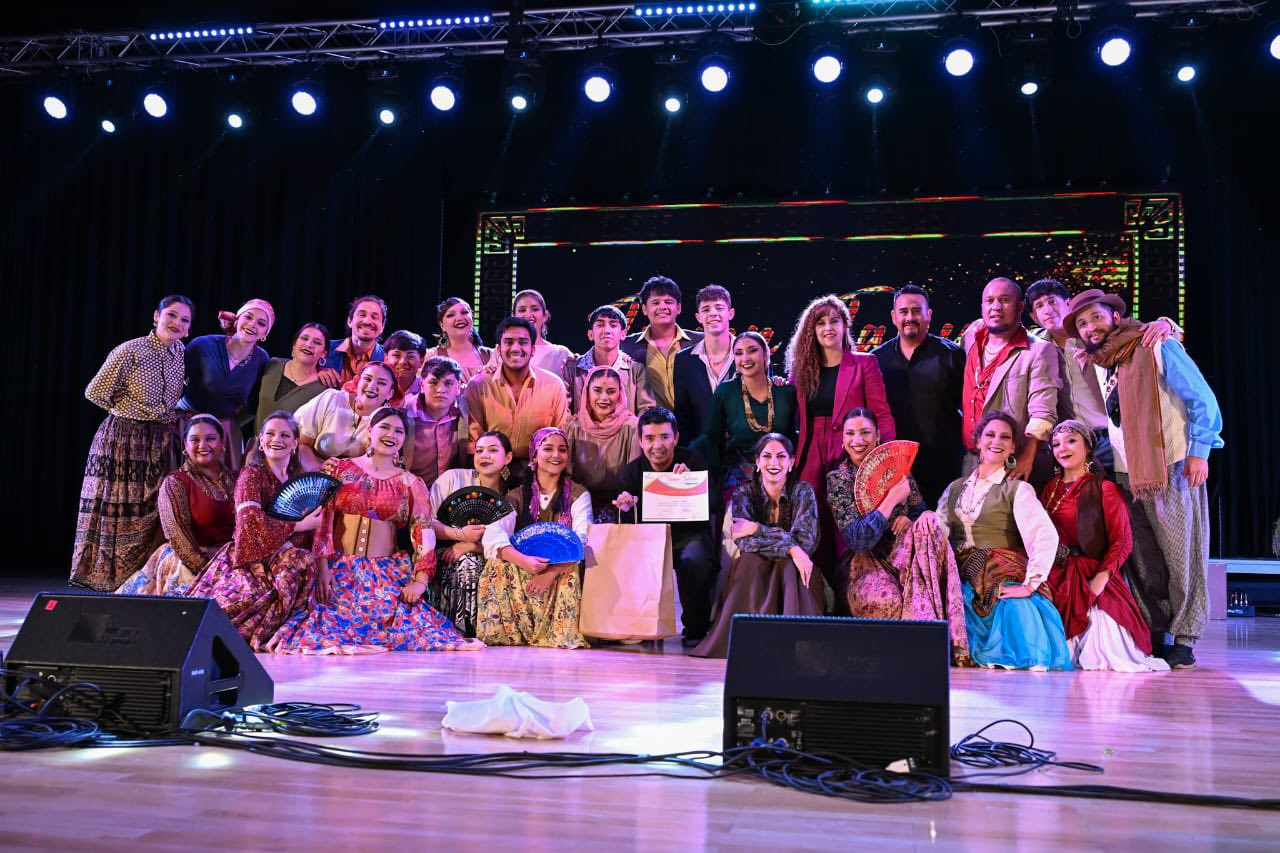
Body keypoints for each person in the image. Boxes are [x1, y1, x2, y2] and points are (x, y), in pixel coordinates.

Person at [1067, 288, 1224, 670]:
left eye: (1096, 316)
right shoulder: (1101, 362)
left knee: (1182, 556)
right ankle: (1159, 630)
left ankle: (1185, 637)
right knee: (1144, 560)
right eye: (1083, 323)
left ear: (1115, 316)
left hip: (1170, 464)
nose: (1091, 327)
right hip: (1129, 473)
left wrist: (1199, 451)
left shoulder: (1155, 343)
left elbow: (1202, 399)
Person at [269, 408, 481, 653]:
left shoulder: (411, 483)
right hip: (341, 568)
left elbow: (423, 532)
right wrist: (323, 566)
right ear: (370, 431)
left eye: (399, 431)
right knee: (326, 625)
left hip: (384, 571)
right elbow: (323, 521)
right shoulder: (339, 470)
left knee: (410, 628)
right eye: (385, 427)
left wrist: (420, 582)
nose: (391, 435)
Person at [826, 408, 970, 665]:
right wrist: (890, 501)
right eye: (850, 433)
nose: (857, 440)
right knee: (889, 603)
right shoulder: (838, 480)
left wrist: (916, 519)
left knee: (930, 528)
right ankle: (916, 651)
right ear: (843, 439)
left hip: (906, 553)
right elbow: (858, 540)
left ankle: (930, 649)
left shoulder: (897, 468)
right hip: (864, 561)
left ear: (877, 436)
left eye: (865, 432)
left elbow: (918, 509)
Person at [72, 294, 194, 591]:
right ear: (156, 316)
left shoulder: (180, 353)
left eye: (184, 319)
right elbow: (94, 392)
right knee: (118, 508)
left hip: (160, 439)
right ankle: (108, 578)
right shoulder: (132, 349)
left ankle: (140, 579)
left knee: (150, 508)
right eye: (172, 315)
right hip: (124, 437)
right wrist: (127, 406)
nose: (177, 323)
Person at [938, 412, 1072, 671]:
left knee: (1016, 608)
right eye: (990, 435)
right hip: (960, 570)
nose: (996, 441)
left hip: (999, 567)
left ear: (1012, 447)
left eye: (1005, 437)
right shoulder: (955, 488)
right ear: (978, 441)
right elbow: (938, 533)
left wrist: (1030, 584)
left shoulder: (1017, 489)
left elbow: (1043, 534)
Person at [786, 295, 895, 593]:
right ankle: (815, 595)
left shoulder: (864, 364)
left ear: (845, 325)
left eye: (834, 321)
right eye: (820, 323)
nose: (828, 328)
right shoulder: (801, 371)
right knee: (812, 520)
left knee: (846, 522)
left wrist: (887, 459)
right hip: (810, 452)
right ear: (812, 330)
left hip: (851, 450)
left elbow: (881, 414)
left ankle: (850, 592)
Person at [185, 412, 321, 649]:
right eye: (270, 434)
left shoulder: (299, 479)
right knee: (236, 603)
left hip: (288, 555)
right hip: (252, 557)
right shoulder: (252, 475)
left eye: (284, 435)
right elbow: (249, 525)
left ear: (295, 443)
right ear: (261, 440)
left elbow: (318, 525)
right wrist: (298, 526)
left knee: (302, 562)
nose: (276, 439)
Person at [1040, 420, 1168, 671]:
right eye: (1056, 444)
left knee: (1102, 645)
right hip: (1058, 574)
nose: (1062, 448)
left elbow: (1122, 541)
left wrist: (1100, 579)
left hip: (1092, 572)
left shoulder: (1103, 488)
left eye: (1071, 441)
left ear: (1088, 447)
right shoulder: (1050, 489)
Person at [1026, 278, 1180, 474]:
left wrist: (1166, 324)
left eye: (1052, 301)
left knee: (1127, 490)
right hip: (1070, 442)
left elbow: (1141, 334)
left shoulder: (1095, 333)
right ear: (1034, 317)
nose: (1047, 310)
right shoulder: (1035, 346)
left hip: (1112, 435)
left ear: (1068, 304)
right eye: (1039, 306)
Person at [691, 434, 823, 659]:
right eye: (767, 456)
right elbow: (744, 542)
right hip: (757, 567)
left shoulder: (803, 492)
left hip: (793, 569)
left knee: (791, 566)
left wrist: (756, 528)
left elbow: (806, 542)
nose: (774, 463)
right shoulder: (744, 493)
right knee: (749, 561)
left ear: (791, 462)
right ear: (758, 462)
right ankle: (748, 643)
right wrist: (791, 548)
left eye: (781, 456)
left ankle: (793, 644)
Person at [614, 406, 720, 646]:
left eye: (664, 437)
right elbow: (628, 526)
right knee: (631, 559)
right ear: (640, 441)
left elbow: (714, 503)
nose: (657, 445)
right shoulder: (631, 473)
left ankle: (696, 628)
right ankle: (641, 626)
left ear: (676, 438)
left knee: (696, 560)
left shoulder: (693, 460)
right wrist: (626, 507)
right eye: (650, 438)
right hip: (649, 539)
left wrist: (691, 483)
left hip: (689, 535)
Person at [477, 427, 591, 648]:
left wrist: (550, 573)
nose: (556, 455)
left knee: (572, 567)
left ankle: (559, 633)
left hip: (560, 568)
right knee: (496, 564)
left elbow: (582, 540)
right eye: (548, 449)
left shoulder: (578, 494)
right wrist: (523, 561)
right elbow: (493, 532)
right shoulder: (517, 495)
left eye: (562, 450)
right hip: (526, 565)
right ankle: (508, 633)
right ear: (534, 456)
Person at [959, 277, 1069, 488]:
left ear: (1019, 307)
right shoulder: (972, 337)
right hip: (973, 460)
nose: (996, 307)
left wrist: (1027, 456)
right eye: (990, 300)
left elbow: (1043, 411)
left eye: (1004, 300)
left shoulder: (1039, 350)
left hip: (1014, 463)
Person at [116, 415, 238, 596]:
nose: (203, 445)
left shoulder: (239, 479)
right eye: (194, 440)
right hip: (192, 560)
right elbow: (177, 536)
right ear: (185, 447)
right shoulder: (175, 483)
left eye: (210, 439)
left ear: (222, 444)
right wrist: (211, 571)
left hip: (234, 558)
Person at [872, 285, 965, 506]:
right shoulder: (876, 360)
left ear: (928, 315)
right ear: (893, 317)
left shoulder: (952, 355)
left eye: (916, 311)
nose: (910, 317)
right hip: (895, 470)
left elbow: (969, 407)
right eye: (903, 311)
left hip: (945, 467)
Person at [429, 430, 516, 636]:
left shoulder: (511, 498)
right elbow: (426, 522)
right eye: (479, 451)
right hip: (442, 550)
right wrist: (459, 536)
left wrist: (469, 545)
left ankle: (477, 630)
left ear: (508, 458)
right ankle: (451, 628)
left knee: (471, 560)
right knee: (466, 561)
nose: (484, 455)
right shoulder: (452, 478)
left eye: (492, 450)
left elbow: (505, 545)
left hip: (486, 557)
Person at [696, 331, 798, 501]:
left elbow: (794, 437)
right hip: (738, 478)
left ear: (765, 354)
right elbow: (711, 437)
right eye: (738, 353)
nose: (745, 358)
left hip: (780, 474)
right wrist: (686, 460)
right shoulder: (726, 391)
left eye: (752, 350)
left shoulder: (785, 392)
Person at [177, 298, 273, 467]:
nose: (252, 324)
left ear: (265, 333)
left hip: (223, 431)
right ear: (236, 320)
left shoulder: (261, 359)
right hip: (186, 424)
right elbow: (174, 380)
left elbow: (254, 403)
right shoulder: (203, 345)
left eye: (261, 323)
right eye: (248, 317)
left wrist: (231, 423)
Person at [464, 316, 569, 461]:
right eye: (508, 342)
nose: (515, 348)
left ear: (533, 350)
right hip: (490, 468)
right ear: (498, 350)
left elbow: (560, 437)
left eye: (523, 342)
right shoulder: (478, 385)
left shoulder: (554, 386)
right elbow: (473, 444)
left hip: (539, 469)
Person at [565, 366, 640, 518]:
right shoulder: (573, 428)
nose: (604, 398)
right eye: (597, 391)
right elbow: (567, 477)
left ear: (620, 393)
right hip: (581, 503)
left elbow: (634, 477)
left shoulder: (632, 427)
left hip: (622, 505)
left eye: (611, 391)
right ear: (587, 392)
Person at [295, 361, 398, 471]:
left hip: (359, 479)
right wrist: (317, 470)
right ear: (358, 382)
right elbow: (301, 444)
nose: (372, 386)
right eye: (367, 379)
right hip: (312, 473)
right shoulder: (331, 399)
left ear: (390, 393)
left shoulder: (389, 423)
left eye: (381, 383)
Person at [621, 275, 703, 411]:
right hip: (650, 422)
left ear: (679, 308)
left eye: (668, 302)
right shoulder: (627, 345)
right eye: (656, 303)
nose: (663, 307)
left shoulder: (700, 341)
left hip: (695, 422)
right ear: (644, 309)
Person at [673, 285, 737, 444]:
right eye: (706, 309)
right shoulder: (683, 360)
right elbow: (683, 416)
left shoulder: (750, 355)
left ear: (731, 313)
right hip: (701, 451)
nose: (713, 313)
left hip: (745, 452)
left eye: (719, 308)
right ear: (698, 317)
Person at [562, 304, 654, 414]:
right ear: (590, 334)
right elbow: (562, 411)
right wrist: (576, 425)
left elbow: (647, 410)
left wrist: (631, 424)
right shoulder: (573, 369)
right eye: (600, 325)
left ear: (623, 334)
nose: (607, 330)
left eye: (613, 325)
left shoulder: (636, 370)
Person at [404, 355, 469, 489]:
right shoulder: (404, 413)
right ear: (422, 385)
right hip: (409, 490)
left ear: (458, 387)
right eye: (433, 382)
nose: (440, 390)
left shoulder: (465, 412)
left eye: (448, 383)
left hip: (451, 491)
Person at [252, 323, 330, 434]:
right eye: (304, 338)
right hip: (256, 442)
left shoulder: (323, 389)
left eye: (317, 342)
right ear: (294, 345)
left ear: (324, 354)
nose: (309, 344)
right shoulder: (272, 365)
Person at [341, 329, 423, 408]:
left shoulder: (426, 388)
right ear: (386, 358)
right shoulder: (362, 382)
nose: (403, 362)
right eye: (396, 355)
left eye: (410, 356)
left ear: (421, 361)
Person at [322, 295, 388, 386]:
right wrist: (315, 371)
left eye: (374, 317)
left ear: (382, 327)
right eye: (362, 315)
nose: (367, 321)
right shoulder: (325, 347)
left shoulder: (387, 359)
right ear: (350, 321)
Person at [427, 297, 494, 383]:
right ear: (442, 325)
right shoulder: (431, 356)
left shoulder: (490, 355)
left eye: (464, 312)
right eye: (451, 315)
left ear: (472, 318)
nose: (459, 318)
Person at [513, 289, 575, 377]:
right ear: (514, 317)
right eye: (522, 310)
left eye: (535, 309)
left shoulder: (560, 353)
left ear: (545, 315)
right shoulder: (503, 352)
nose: (528, 315)